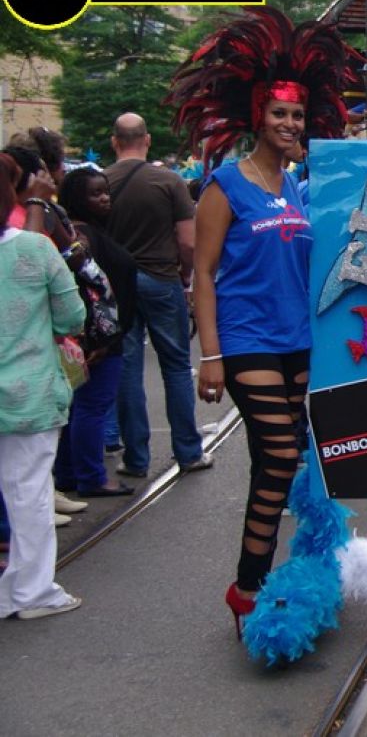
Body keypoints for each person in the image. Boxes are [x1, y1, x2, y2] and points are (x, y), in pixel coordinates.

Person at [166, 5, 356, 638]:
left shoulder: (297, 190)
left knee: (280, 459)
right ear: (257, 116)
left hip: (298, 343)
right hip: (246, 343)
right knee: (278, 454)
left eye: (297, 115)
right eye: (279, 113)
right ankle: (248, 587)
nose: (289, 123)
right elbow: (203, 273)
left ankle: (260, 580)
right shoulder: (225, 186)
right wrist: (210, 355)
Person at [0, 153, 87, 620]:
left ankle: (12, 587)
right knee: (30, 493)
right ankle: (33, 591)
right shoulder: (35, 250)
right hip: (26, 391)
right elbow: (73, 316)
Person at [104, 114, 210, 479]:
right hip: (162, 278)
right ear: (147, 140)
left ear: (114, 141)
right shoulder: (169, 181)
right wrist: (185, 278)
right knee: (176, 366)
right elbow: (188, 242)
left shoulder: (101, 182)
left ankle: (136, 457)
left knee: (127, 368)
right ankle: (189, 452)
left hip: (118, 285)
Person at [53, 168, 137, 498]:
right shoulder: (82, 239)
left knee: (78, 407)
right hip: (100, 339)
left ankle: (69, 472)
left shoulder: (83, 233)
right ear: (77, 198)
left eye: (106, 192)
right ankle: (91, 476)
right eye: (95, 193)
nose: (104, 199)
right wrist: (95, 339)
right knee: (92, 406)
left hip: (100, 335)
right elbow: (86, 288)